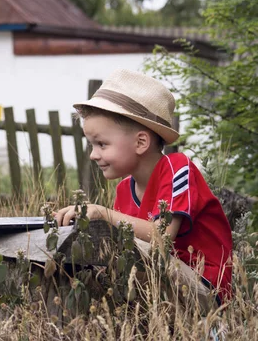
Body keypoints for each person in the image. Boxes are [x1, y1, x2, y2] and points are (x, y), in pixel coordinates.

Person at [53, 68, 232, 303]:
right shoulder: (124, 190)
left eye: (102, 144)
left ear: (140, 142)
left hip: (204, 286)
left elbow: (161, 238)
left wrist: (103, 213)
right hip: (159, 282)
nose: (93, 155)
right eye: (92, 145)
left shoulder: (178, 168)